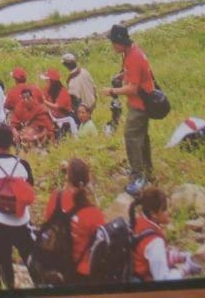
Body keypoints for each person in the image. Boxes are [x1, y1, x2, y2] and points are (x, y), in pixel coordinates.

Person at [0, 124, 35, 290]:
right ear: (12, 142)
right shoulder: (23, 165)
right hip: (21, 218)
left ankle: (8, 283)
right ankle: (39, 281)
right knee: (29, 255)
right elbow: (30, 186)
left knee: (3, 256)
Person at [104, 24, 156, 195]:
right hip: (140, 102)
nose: (112, 46)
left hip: (140, 104)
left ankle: (138, 176)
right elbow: (134, 75)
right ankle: (147, 171)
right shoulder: (130, 52)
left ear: (120, 42)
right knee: (142, 137)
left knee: (131, 137)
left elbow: (133, 88)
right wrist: (121, 76)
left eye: (113, 42)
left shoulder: (134, 57)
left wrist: (112, 91)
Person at [44, 158, 104, 285]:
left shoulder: (56, 197)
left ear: (67, 177)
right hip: (81, 269)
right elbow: (101, 241)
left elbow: (48, 220)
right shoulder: (93, 213)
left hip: (57, 261)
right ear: (88, 180)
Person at [130, 187, 186, 282]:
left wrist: (180, 256)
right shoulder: (155, 241)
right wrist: (184, 270)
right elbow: (162, 280)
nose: (169, 213)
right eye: (164, 209)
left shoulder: (138, 222)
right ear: (153, 214)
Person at [43, 69, 77, 137]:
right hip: (53, 116)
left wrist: (44, 102)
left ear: (52, 81)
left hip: (64, 117)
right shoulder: (47, 89)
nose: (45, 82)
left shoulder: (63, 92)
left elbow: (57, 107)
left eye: (47, 80)